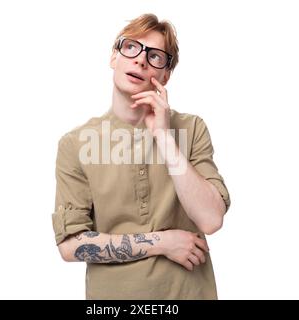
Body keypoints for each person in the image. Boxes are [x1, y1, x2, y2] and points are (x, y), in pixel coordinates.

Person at [51, 13, 231, 299]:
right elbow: (71, 245)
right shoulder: (76, 144)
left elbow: (211, 219)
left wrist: (163, 135)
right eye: (131, 47)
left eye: (155, 56)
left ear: (166, 75)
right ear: (114, 56)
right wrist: (162, 242)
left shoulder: (191, 128)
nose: (141, 60)